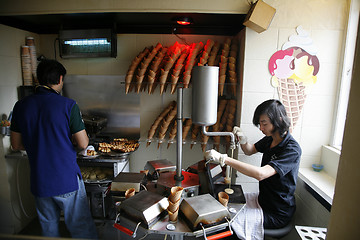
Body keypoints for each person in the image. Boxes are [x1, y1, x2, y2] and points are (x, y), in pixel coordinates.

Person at [10, 59, 98, 239]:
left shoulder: (21, 106)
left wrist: (40, 143)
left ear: (38, 78)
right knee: (80, 227)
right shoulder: (68, 105)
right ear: (59, 79)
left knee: (48, 229)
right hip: (65, 179)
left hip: (40, 181)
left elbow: (16, 144)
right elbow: (82, 143)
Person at [205, 99, 301, 238]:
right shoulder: (270, 138)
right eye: (260, 124)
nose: (261, 128)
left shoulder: (292, 149)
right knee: (226, 210)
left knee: (228, 225)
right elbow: (250, 150)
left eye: (264, 123)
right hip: (262, 200)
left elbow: (261, 174)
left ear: (279, 120)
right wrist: (243, 139)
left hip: (276, 212)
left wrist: (224, 159)